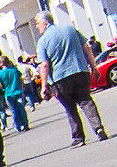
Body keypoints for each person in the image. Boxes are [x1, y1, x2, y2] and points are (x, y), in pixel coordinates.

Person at [36, 14, 110, 146]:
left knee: (70, 107)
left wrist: (44, 86)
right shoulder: (70, 29)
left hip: (60, 79)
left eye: (37, 23)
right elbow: (86, 48)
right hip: (80, 71)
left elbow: (45, 64)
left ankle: (78, 137)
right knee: (86, 101)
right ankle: (98, 129)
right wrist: (94, 67)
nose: (37, 27)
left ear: (45, 22)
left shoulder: (43, 41)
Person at [0, 51, 30, 132]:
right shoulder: (14, 70)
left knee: (14, 111)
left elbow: (0, 85)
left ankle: (17, 126)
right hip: (18, 91)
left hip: (8, 93)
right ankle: (25, 124)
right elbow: (21, 79)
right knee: (21, 109)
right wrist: (22, 88)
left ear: (1, 63)